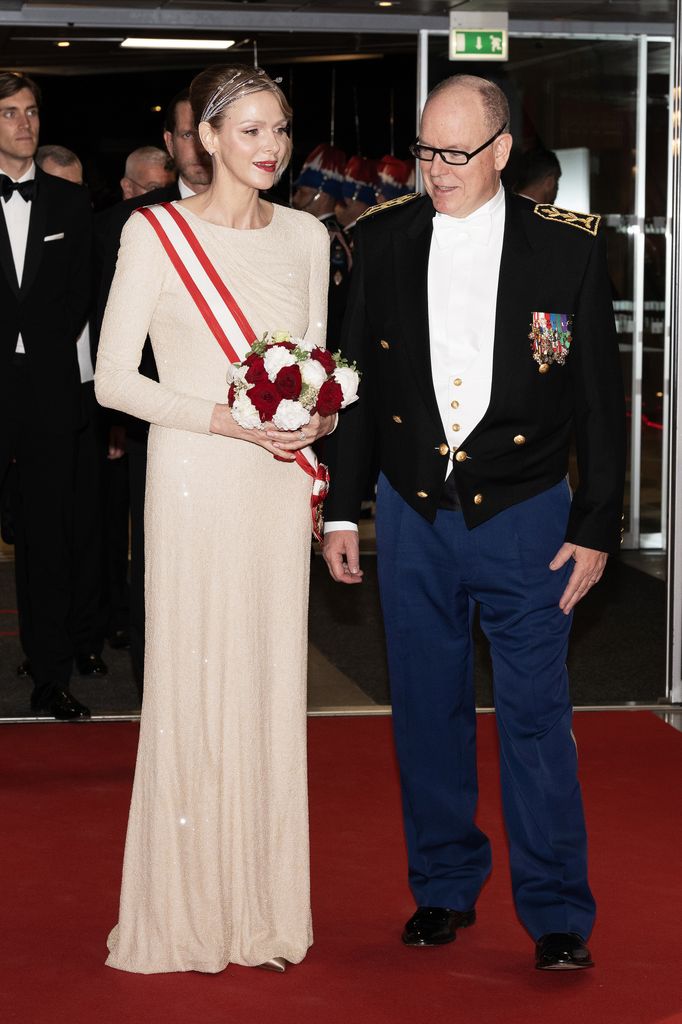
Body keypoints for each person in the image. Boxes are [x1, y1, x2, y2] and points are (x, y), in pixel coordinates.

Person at [323, 74, 625, 972]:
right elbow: (357, 390)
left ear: (500, 153)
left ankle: (558, 912)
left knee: (535, 717)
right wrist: (344, 508)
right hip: (414, 518)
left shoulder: (565, 253)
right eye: (425, 150)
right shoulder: (376, 242)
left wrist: (600, 524)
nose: (437, 169)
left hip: (528, 517)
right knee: (426, 710)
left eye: (457, 153)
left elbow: (599, 402)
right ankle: (444, 889)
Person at [95, 63, 333, 974]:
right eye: (250, 131)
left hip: (276, 487)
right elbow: (116, 379)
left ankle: (264, 912)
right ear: (206, 140)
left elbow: (314, 363)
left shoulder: (311, 237)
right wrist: (224, 418)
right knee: (195, 677)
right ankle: (186, 910)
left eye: (280, 130)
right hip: (197, 474)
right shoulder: (154, 233)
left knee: (270, 679)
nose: (270, 147)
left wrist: (316, 418)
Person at [96, 87, 212, 691]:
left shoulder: (282, 227)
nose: (198, 145)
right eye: (187, 133)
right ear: (171, 145)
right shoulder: (134, 223)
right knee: (158, 559)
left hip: (245, 427)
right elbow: (109, 337)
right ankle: (157, 688)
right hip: (155, 417)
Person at [0, 72, 92, 720]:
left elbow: (82, 295)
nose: (24, 125)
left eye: (31, 112)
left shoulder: (68, 201)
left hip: (50, 395)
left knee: (47, 541)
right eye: (9, 113)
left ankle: (51, 676)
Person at [292, 142, 350, 347]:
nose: (295, 197)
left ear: (322, 194)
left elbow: (331, 303)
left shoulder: (330, 238)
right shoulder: (308, 230)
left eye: (302, 191)